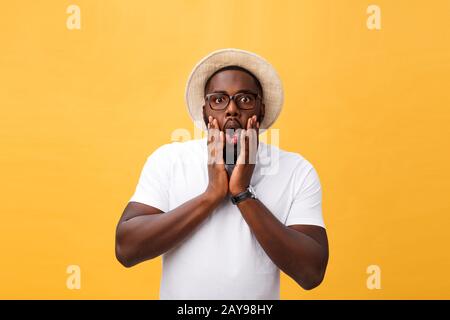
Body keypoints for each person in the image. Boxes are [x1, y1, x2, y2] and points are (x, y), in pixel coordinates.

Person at [115, 48, 329, 299]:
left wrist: (242, 193)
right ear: (205, 112)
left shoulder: (297, 170)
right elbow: (126, 249)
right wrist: (212, 195)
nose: (231, 110)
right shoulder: (169, 160)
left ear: (261, 110)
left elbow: (311, 273)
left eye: (245, 99)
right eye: (219, 100)